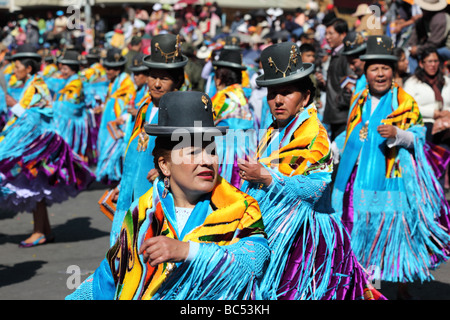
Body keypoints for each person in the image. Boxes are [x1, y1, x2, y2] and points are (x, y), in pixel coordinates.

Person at [66, 91, 270, 300]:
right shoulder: (143, 212)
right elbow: (110, 276)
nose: (207, 160)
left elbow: (254, 262)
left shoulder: (239, 207)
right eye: (192, 152)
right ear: (165, 165)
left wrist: (188, 251)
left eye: (211, 151)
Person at [238, 41, 384, 300]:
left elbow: (316, 186)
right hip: (277, 227)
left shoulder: (315, 134)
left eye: (287, 92)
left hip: (306, 238)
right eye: (272, 94)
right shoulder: (274, 130)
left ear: (305, 97)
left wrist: (268, 177)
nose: (278, 100)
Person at [332, 35, 450, 300]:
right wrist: (335, 146)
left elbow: (418, 136)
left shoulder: (404, 100)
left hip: (389, 180)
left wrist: (399, 133)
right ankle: (370, 288)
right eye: (374, 68)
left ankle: (400, 286)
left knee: (391, 233)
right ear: (366, 71)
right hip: (356, 179)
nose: (380, 73)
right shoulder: (359, 99)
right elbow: (352, 132)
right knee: (360, 233)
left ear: (393, 69)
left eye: (385, 67)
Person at [0, 44, 94, 247]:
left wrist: (12, 104)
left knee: (36, 188)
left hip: (41, 147)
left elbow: (34, 119)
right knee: (37, 188)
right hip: (35, 145)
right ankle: (45, 230)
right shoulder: (31, 85)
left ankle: (39, 231)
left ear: (29, 69)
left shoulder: (37, 86)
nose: (13, 70)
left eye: (17, 67)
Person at [108, 34, 188, 246]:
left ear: (177, 81)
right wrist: (123, 184)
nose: (157, 84)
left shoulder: (181, 111)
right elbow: (134, 150)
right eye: (153, 76)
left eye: (165, 78)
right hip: (131, 190)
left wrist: (165, 171)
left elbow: (190, 155)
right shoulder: (144, 107)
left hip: (159, 195)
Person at [211, 48, 256, 188]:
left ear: (219, 78)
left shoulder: (222, 98)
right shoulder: (244, 93)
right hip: (247, 150)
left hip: (225, 153)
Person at [95, 47, 136, 185]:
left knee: (115, 161)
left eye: (110, 69)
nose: (107, 71)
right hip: (109, 126)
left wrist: (122, 120)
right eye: (106, 68)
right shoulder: (113, 83)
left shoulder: (126, 83)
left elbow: (128, 104)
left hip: (118, 128)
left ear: (118, 70)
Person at [52, 50, 90, 162]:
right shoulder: (69, 81)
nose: (62, 71)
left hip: (69, 125)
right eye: (61, 68)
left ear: (73, 69)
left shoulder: (76, 83)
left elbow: (69, 107)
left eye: (65, 69)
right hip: (65, 123)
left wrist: (52, 106)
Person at [321, 18, 355, 141]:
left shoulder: (345, 57)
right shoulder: (335, 54)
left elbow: (351, 84)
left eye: (331, 33)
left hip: (342, 116)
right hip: (335, 115)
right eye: (326, 34)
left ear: (343, 34)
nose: (327, 37)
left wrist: (338, 102)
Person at [407, 0, 450, 73]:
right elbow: (414, 36)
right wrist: (412, 47)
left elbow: (434, 44)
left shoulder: (440, 18)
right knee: (412, 55)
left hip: (446, 49)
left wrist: (417, 49)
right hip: (434, 47)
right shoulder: (423, 19)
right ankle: (414, 76)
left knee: (425, 54)